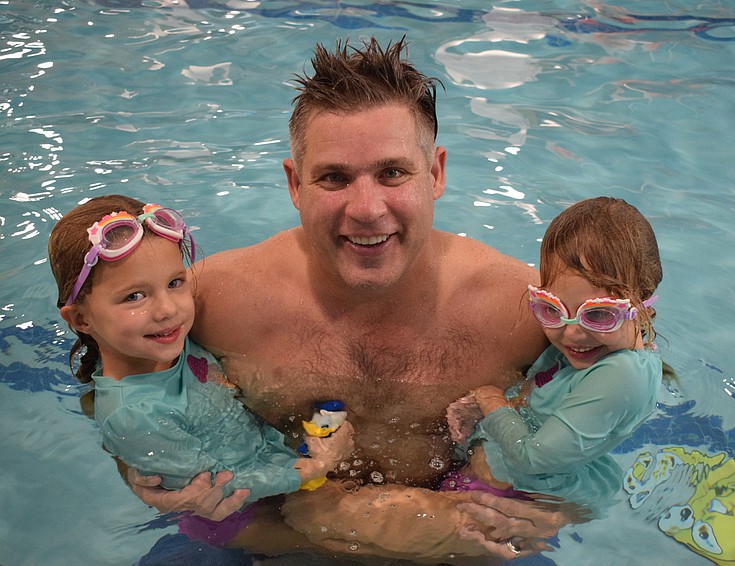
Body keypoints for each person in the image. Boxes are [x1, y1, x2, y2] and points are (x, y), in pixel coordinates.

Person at [128, 38, 578, 563]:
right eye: (334, 177)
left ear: (435, 173)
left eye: (392, 173)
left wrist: (567, 506)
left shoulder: (522, 310)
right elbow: (119, 385)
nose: (366, 209)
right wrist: (143, 469)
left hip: (460, 545)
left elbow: (619, 400)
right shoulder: (213, 301)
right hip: (273, 538)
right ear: (296, 184)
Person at [48, 195, 354, 509]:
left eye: (175, 282)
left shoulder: (164, 345)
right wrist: (314, 468)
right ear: (81, 319)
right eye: (134, 296)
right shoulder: (134, 417)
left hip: (271, 459)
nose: (167, 309)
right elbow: (210, 487)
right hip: (238, 512)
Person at [445, 197, 664, 511]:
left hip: (517, 493)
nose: (571, 333)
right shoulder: (603, 348)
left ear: (641, 304)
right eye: (553, 309)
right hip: (501, 470)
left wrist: (489, 399)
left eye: (599, 314)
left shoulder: (623, 375)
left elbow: (533, 457)